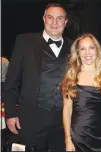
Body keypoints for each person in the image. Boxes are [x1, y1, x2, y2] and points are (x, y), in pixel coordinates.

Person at [3, 3, 72, 151]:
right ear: (43, 19)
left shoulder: (74, 46)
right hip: (30, 120)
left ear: (66, 22)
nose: (54, 22)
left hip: (63, 121)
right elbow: (11, 82)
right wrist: (11, 113)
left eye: (59, 18)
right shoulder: (25, 42)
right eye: (50, 17)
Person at [61, 33, 101, 151]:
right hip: (79, 137)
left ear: (97, 50)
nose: (87, 53)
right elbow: (67, 110)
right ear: (78, 53)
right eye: (83, 49)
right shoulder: (71, 77)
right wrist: (68, 139)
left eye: (91, 48)